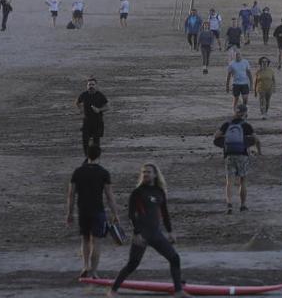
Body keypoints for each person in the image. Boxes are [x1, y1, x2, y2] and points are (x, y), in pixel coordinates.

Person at [108, 164, 190, 298]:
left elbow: (165, 213)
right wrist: (137, 233)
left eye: (148, 172)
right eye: (143, 172)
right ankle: (112, 291)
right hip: (143, 234)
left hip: (156, 234)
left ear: (155, 174)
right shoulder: (137, 192)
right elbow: (131, 215)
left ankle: (178, 291)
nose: (145, 174)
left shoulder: (160, 192)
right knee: (133, 263)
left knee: (174, 258)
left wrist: (170, 231)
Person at [66, 145, 120, 279]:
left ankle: (85, 266)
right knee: (96, 241)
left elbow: (71, 194)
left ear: (87, 155)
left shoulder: (78, 172)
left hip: (83, 211)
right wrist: (115, 213)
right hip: (98, 211)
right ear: (99, 156)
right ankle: (94, 271)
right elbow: (109, 195)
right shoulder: (103, 172)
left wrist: (69, 213)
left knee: (85, 239)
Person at [214, 105, 261, 214]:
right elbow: (257, 140)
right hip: (242, 155)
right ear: (245, 113)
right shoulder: (246, 125)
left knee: (229, 181)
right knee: (243, 180)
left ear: (235, 112)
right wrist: (259, 152)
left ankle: (229, 204)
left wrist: (225, 141)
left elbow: (216, 136)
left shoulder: (227, 124)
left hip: (229, 154)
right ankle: (243, 205)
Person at [76, 77, 109, 155]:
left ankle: (95, 157)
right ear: (87, 86)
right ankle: (87, 156)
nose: (91, 86)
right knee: (85, 140)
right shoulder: (84, 94)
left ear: (96, 86)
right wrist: (81, 109)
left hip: (97, 121)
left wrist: (99, 110)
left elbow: (107, 107)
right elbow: (77, 102)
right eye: (89, 84)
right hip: (86, 121)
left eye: (93, 84)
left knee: (96, 141)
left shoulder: (100, 95)